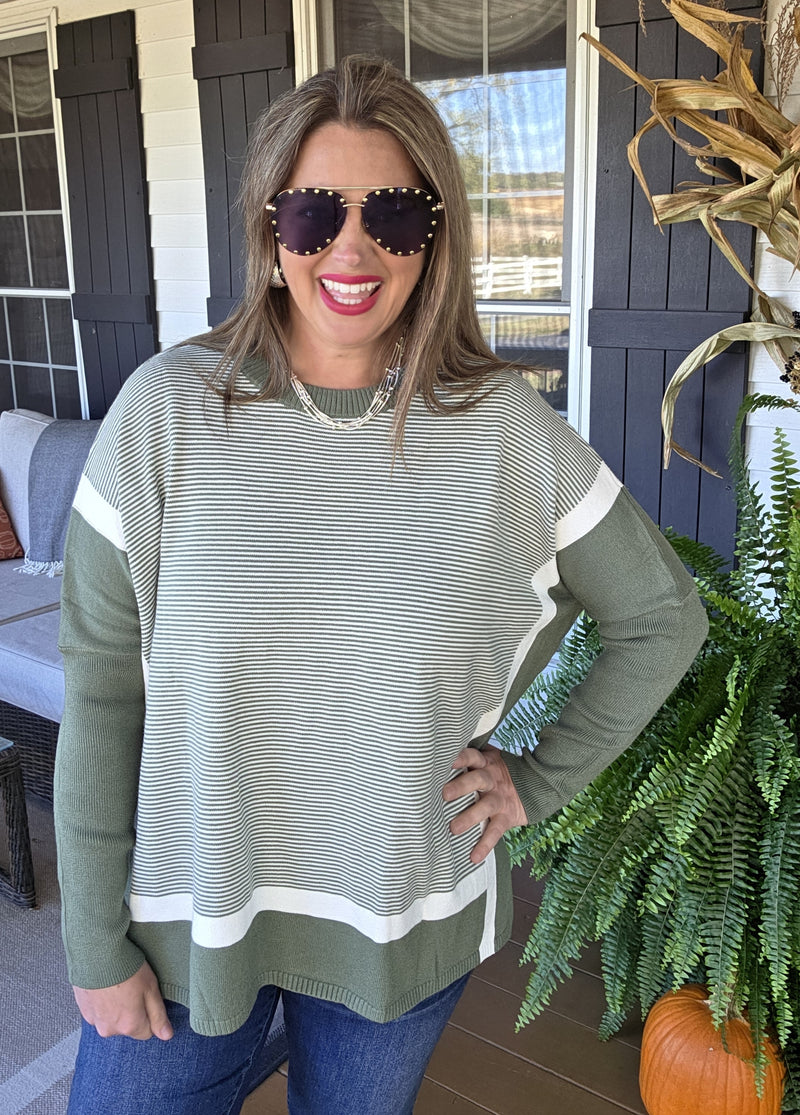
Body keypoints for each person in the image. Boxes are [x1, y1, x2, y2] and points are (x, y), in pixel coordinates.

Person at [53, 54, 708, 1114]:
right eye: (313, 211)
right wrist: (91, 937)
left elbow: (662, 615)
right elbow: (101, 689)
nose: (350, 247)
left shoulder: (502, 431)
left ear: (434, 238)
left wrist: (537, 779)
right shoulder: (165, 413)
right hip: (185, 918)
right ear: (270, 228)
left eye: (393, 214)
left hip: (401, 919)